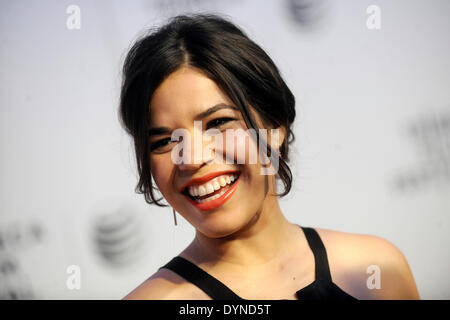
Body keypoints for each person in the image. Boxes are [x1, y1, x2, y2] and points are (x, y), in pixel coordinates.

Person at [119, 13, 420, 300]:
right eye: (165, 141)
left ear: (275, 127)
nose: (192, 158)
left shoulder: (376, 269)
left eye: (218, 123)